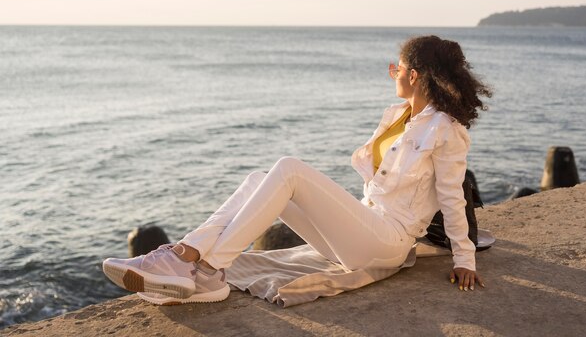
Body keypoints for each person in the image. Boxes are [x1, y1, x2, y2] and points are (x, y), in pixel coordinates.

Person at [102, 35, 492, 304]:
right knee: (259, 180)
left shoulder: (446, 131)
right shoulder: (397, 116)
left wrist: (464, 259)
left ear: (415, 76)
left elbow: (452, 196)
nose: (393, 74)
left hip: (387, 242)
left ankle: (204, 267)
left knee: (289, 169)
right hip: (362, 230)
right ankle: (188, 257)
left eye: (397, 69)